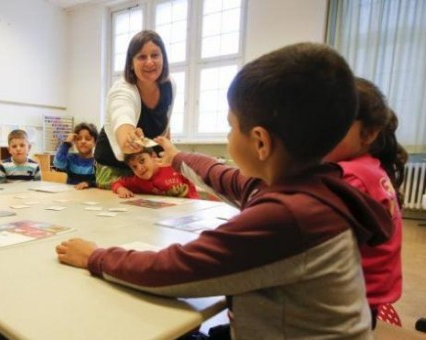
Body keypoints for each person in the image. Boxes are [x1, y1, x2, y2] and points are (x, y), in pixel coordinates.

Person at [55, 42, 394, 339]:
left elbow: (170, 270)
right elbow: (226, 178)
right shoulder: (313, 186)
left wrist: (95, 256)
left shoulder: (288, 216)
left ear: (260, 141)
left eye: (231, 127)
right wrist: (177, 158)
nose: (229, 136)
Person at [324, 77, 407, 327]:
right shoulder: (369, 168)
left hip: (351, 297)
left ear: (369, 133)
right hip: (368, 293)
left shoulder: (349, 177)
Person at [93, 30, 176, 189]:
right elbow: (123, 123)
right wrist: (130, 140)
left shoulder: (169, 85)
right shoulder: (122, 91)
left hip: (148, 162)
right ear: (131, 63)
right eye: (142, 57)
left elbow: (165, 125)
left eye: (155, 55)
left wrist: (166, 153)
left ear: (163, 58)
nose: (150, 62)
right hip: (114, 165)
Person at [111, 147, 198, 199]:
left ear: (153, 156)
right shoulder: (138, 180)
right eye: (134, 167)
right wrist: (120, 189)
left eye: (142, 160)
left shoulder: (174, 167)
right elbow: (117, 183)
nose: (140, 168)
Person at [52, 122, 97, 189]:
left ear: (95, 142)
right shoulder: (71, 158)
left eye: (88, 139)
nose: (83, 141)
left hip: (91, 196)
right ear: (75, 142)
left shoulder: (97, 162)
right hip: (71, 195)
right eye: (79, 139)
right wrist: (67, 143)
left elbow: (101, 182)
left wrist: (88, 184)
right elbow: (58, 163)